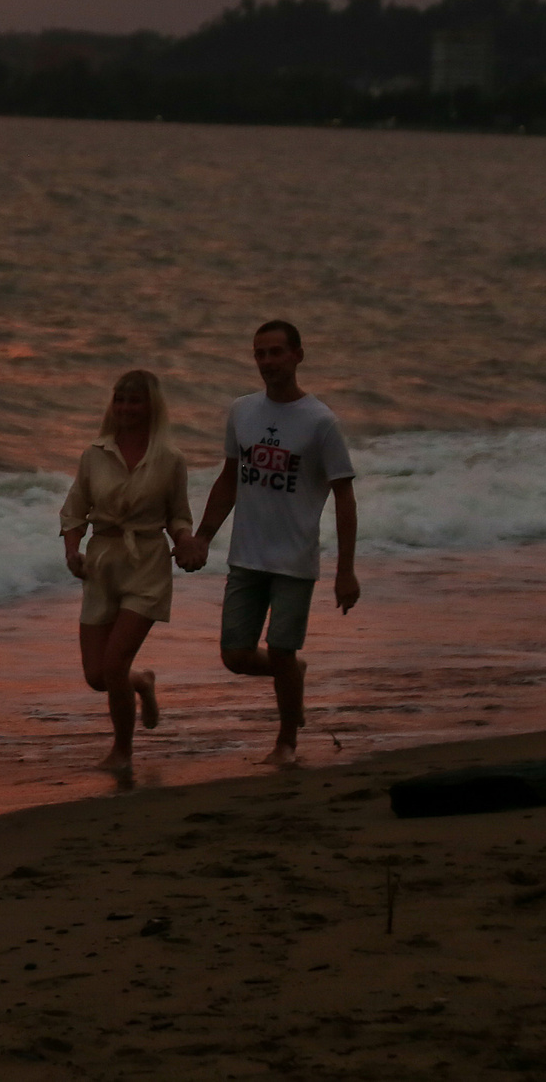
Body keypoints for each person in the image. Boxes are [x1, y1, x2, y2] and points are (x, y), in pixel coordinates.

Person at [177, 319, 358, 766]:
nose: (267, 361)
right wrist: (202, 537)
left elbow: (344, 496)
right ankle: (291, 674)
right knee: (235, 655)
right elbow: (230, 479)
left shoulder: (320, 422)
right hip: (247, 555)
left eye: (276, 352)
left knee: (281, 648)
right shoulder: (242, 411)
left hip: (294, 560)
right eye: (260, 353)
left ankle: (286, 742)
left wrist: (346, 571)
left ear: (298, 355)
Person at [58, 369, 193, 771]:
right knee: (97, 676)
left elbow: (179, 516)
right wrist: (72, 550)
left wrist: (186, 541)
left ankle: (122, 752)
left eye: (134, 401)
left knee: (115, 663)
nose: (125, 408)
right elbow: (73, 511)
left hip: (147, 566)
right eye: (120, 400)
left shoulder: (170, 459)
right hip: (102, 565)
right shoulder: (94, 454)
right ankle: (142, 682)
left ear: (152, 406)